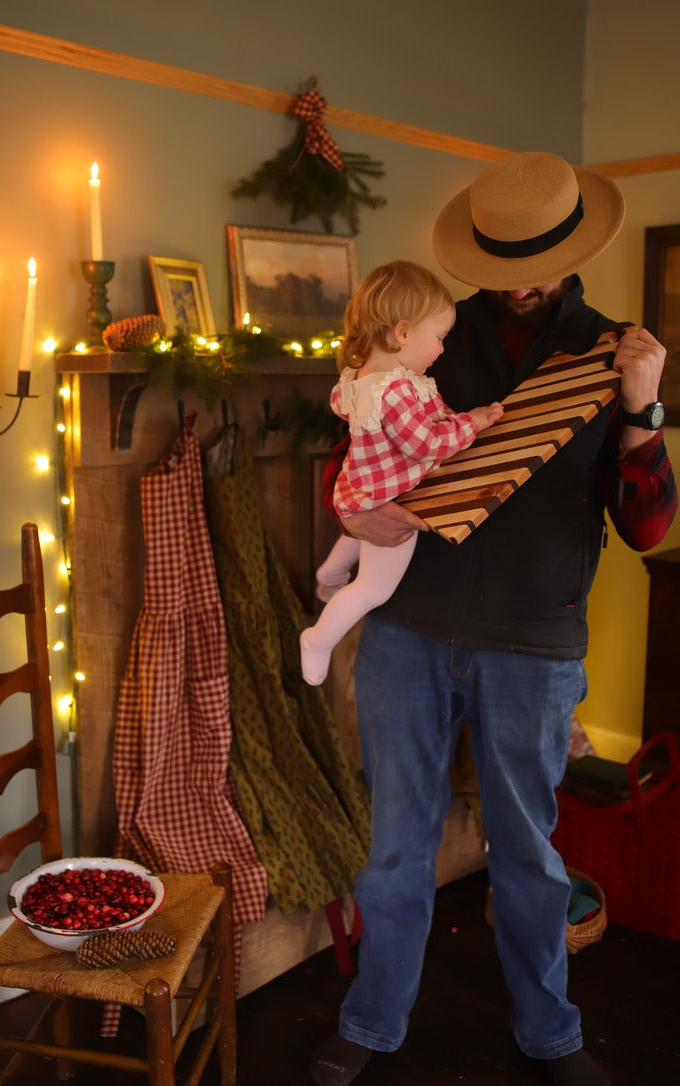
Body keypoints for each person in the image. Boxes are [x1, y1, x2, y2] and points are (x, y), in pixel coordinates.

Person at [309, 152, 677, 1086]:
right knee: (396, 847)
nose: (527, 283)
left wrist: (646, 409)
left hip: (535, 642)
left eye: (542, 262)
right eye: (506, 263)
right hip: (409, 630)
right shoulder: (426, 333)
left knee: (529, 855)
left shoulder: (612, 352)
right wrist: (348, 513)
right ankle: (373, 1022)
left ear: (573, 247)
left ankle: (550, 1032)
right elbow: (351, 456)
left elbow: (648, 526)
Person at [300, 260, 503, 686]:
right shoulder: (395, 391)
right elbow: (427, 445)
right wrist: (475, 423)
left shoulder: (360, 378)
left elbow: (342, 405)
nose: (443, 350)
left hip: (358, 487)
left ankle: (329, 574)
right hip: (386, 496)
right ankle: (318, 639)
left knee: (356, 537)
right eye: (440, 338)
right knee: (375, 589)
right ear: (404, 332)